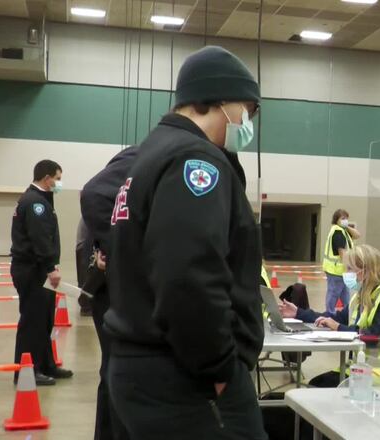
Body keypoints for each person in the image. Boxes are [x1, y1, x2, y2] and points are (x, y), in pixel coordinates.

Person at [103, 46, 267, 439]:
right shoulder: (196, 161)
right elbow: (187, 277)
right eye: (247, 110)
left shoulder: (151, 155)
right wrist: (220, 369)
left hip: (141, 367)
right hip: (185, 379)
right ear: (218, 99)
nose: (247, 122)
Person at [280, 244, 380, 387]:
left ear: (365, 271)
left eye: (350, 269)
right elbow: (334, 318)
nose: (346, 273)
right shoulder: (361, 296)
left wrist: (338, 327)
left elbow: (372, 338)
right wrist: (298, 313)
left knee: (317, 387)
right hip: (362, 367)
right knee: (315, 384)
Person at [80, 145, 138, 440]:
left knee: (114, 372)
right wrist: (123, 251)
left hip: (115, 286)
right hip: (115, 291)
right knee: (119, 373)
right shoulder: (149, 154)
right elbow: (94, 193)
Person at [10, 160, 73, 386]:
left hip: (37, 269)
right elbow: (39, 239)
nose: (59, 183)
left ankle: (45, 364)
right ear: (46, 178)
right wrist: (50, 268)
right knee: (33, 322)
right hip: (32, 270)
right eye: (57, 178)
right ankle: (27, 371)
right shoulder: (35, 203)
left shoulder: (39, 200)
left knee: (45, 320)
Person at [322, 209, 361, 313]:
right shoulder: (338, 232)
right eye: (343, 218)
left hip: (341, 270)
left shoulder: (343, 230)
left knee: (346, 295)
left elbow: (357, 235)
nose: (345, 220)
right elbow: (342, 252)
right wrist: (348, 269)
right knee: (333, 293)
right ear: (336, 220)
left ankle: (348, 313)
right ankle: (329, 314)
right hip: (336, 270)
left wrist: (347, 226)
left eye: (347, 218)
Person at [76, 218, 94, 316]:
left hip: (84, 246)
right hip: (85, 246)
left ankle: (86, 305)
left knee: (85, 278)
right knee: (87, 279)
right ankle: (86, 306)